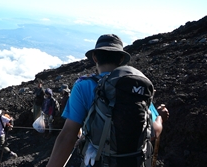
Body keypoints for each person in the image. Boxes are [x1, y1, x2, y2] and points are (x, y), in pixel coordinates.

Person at [46, 34, 169, 167]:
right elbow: (153, 132)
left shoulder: (84, 86)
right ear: (121, 59)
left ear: (95, 58)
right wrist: (160, 118)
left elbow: (68, 134)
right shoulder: (135, 88)